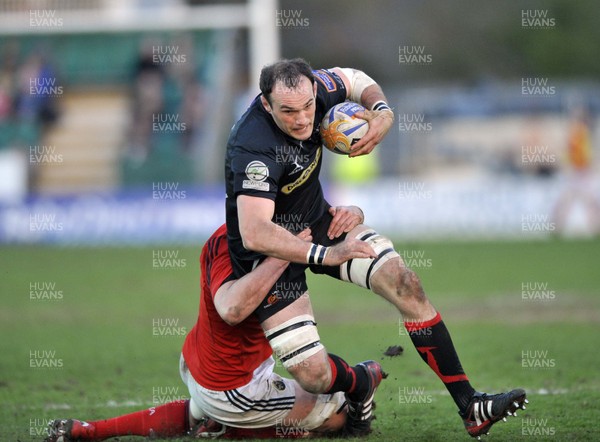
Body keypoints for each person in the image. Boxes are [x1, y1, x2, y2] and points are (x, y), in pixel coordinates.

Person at [224, 58, 527, 439]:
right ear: (266, 105)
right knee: (314, 376)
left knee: (405, 282)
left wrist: (382, 112)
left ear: (314, 91)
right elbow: (254, 231)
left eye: (307, 107)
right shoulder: (253, 145)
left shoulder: (314, 89)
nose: (302, 119)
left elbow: (355, 79)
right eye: (288, 111)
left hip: (321, 223)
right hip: (269, 255)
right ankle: (362, 381)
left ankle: (471, 406)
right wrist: (326, 254)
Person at [46, 223, 384, 441]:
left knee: (198, 411)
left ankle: (90, 432)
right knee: (336, 415)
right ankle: (231, 430)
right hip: (234, 385)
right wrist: (285, 255)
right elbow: (233, 309)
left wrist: (350, 213)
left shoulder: (231, 233)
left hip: (199, 361)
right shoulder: (236, 247)